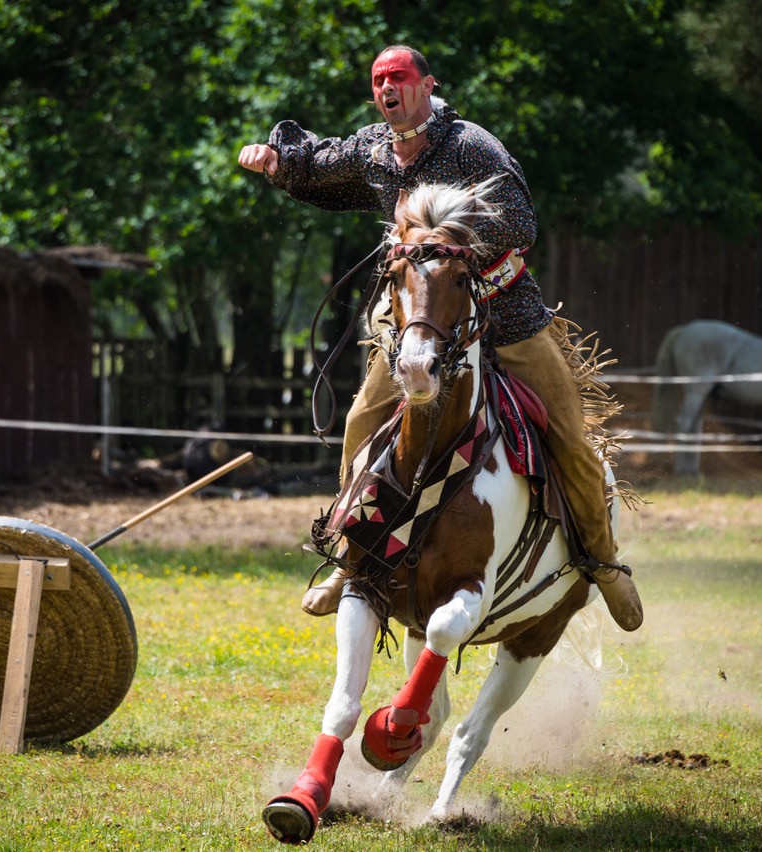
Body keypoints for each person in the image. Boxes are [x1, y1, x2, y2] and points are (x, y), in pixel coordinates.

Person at [238, 45, 642, 631]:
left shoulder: (472, 145)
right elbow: (324, 166)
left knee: (571, 441)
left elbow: (522, 220)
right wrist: (277, 159)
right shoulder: (375, 149)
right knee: (357, 424)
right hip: (421, 330)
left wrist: (450, 231)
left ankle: (604, 567)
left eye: (399, 78)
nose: (387, 88)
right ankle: (353, 559)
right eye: (379, 80)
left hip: (506, 316)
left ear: (428, 85)